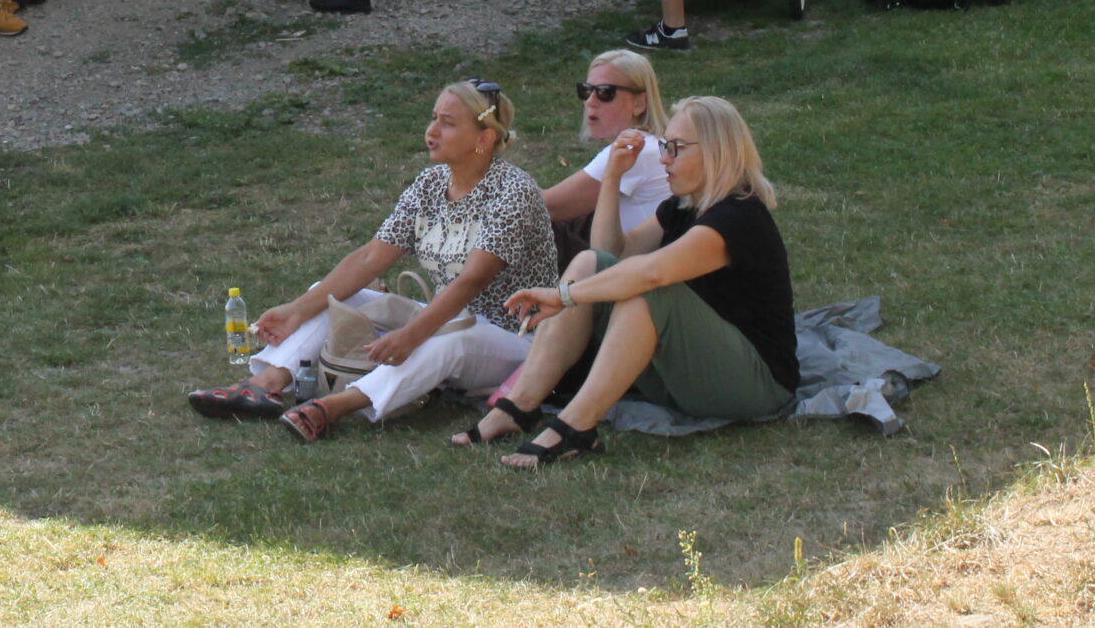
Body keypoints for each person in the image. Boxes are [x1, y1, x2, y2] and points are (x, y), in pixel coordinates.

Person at [187, 79, 557, 439]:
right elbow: (370, 256)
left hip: (516, 338)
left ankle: (336, 406)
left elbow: (471, 280)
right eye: (433, 118)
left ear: (484, 139)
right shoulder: (431, 183)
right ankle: (266, 385)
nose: (432, 131)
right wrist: (297, 310)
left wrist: (411, 335)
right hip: (449, 317)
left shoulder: (513, 191)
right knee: (329, 295)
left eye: (447, 123)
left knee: (451, 338)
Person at [459, 96, 798, 466]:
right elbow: (609, 255)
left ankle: (575, 427)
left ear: (717, 150)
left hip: (754, 385)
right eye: (665, 146)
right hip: (685, 377)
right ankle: (517, 406)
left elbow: (652, 273)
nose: (664, 158)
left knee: (648, 292)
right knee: (589, 262)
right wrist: (612, 177)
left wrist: (563, 296)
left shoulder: (740, 217)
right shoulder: (681, 208)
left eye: (676, 148)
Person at [541, 49, 671, 261]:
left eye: (605, 92)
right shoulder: (651, 144)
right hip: (637, 260)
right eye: (586, 91)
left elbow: (545, 207)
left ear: (639, 103)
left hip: (629, 269)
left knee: (527, 220)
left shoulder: (635, 149)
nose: (590, 102)